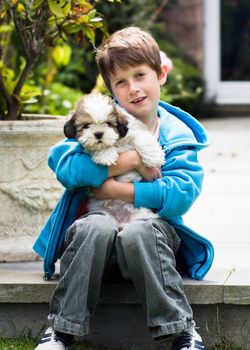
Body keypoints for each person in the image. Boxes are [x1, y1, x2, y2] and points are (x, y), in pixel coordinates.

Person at [33, 26, 214, 350]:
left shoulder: (177, 134)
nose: (133, 88)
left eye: (140, 75)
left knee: (140, 230)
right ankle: (61, 331)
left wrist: (114, 190)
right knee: (93, 227)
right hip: (96, 249)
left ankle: (181, 331)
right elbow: (66, 167)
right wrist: (129, 161)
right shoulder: (102, 120)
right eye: (121, 81)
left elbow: (179, 194)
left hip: (148, 246)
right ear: (112, 90)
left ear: (160, 74)